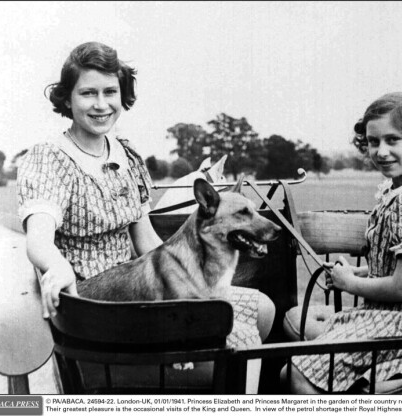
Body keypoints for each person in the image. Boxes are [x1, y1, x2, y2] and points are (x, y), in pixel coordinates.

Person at [17, 41, 274, 348]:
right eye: (88, 93)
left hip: (139, 290)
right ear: (68, 99)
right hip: (94, 310)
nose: (101, 104)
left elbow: (147, 242)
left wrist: (194, 280)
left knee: (264, 312)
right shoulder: (49, 158)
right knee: (243, 341)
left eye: (110, 92)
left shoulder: (127, 156)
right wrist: (57, 267)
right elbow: (39, 240)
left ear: (121, 95)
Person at [283, 92, 402, 393]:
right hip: (391, 316)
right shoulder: (399, 190)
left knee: (297, 373)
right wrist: (356, 273)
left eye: (392, 140)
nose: (381, 151)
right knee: (299, 339)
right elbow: (399, 267)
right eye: (373, 141)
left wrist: (349, 284)